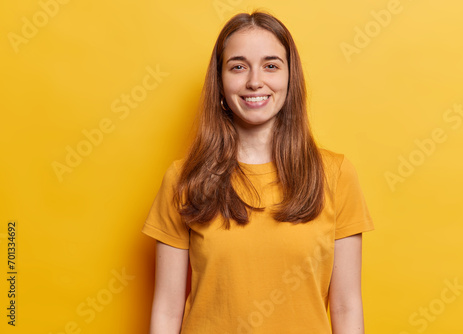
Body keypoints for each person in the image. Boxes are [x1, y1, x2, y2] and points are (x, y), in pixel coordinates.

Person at [141, 10, 374, 334]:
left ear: (290, 78)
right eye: (238, 66)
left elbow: (346, 306)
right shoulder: (184, 180)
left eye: (271, 65)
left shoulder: (335, 175)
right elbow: (167, 309)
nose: (254, 80)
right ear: (220, 83)